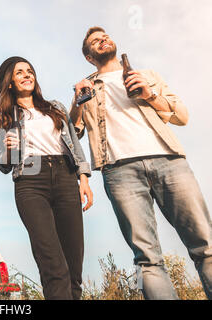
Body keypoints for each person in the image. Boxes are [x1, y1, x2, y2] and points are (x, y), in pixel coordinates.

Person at [70, 26, 212, 300]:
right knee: (147, 258)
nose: (102, 40)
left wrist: (150, 94)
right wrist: (77, 101)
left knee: (205, 244)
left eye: (105, 37)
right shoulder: (86, 86)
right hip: (119, 171)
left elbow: (181, 116)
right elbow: (71, 134)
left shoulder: (146, 76)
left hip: (169, 161)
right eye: (95, 42)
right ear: (89, 57)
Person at [0, 56, 93, 300]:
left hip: (65, 175)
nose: (27, 75)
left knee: (74, 264)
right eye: (19, 72)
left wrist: (84, 178)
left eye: (29, 71)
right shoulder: (6, 117)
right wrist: (8, 149)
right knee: (52, 263)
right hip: (30, 179)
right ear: (10, 83)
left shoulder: (55, 107)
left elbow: (73, 142)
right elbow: (3, 165)